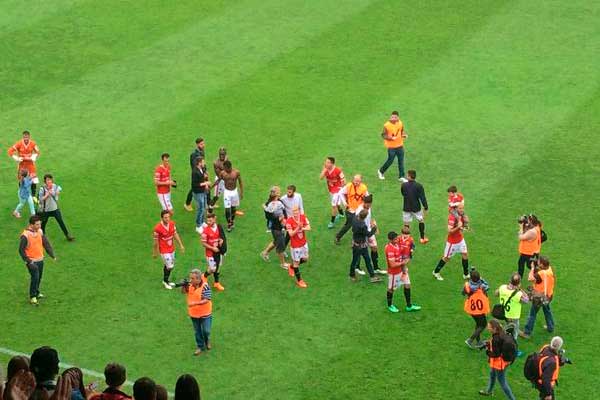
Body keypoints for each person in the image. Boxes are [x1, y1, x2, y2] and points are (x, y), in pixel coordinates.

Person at [19, 215, 56, 305]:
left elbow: (45, 243)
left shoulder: (40, 231)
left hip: (40, 259)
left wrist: (52, 255)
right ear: (31, 225)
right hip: (32, 261)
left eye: (40, 224)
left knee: (39, 277)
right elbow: (21, 250)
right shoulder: (25, 235)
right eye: (37, 224)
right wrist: (28, 261)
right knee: (35, 277)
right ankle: (33, 297)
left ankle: (36, 292)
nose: (39, 226)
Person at [478, 319, 516, 399]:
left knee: (502, 382)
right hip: (502, 361)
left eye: (489, 327)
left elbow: (496, 354)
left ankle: (512, 398)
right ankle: (489, 391)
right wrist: (488, 344)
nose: (488, 328)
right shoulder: (502, 332)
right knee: (492, 374)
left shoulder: (496, 339)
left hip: (499, 364)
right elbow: (498, 345)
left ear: (494, 329)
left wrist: (487, 351)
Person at [385, 229, 421, 312]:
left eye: (397, 238)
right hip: (394, 273)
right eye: (395, 239)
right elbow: (392, 264)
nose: (397, 240)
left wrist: (411, 249)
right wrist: (403, 262)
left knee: (407, 285)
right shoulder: (389, 249)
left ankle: (409, 306)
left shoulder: (397, 244)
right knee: (391, 289)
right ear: (390, 240)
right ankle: (390, 305)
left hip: (402, 270)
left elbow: (405, 247)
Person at [432, 203, 470, 281]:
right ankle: (436, 272)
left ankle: (466, 274)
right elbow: (449, 231)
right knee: (446, 258)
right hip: (452, 242)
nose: (462, 210)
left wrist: (465, 226)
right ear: (456, 208)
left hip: (460, 239)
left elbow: (462, 226)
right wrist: (458, 227)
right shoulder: (452, 217)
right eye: (460, 208)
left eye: (463, 208)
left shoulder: (461, 215)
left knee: (465, 254)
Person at [520, 256, 555, 339]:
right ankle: (550, 327)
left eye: (539, 262)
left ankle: (527, 332)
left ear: (542, 265)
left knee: (532, 314)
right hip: (548, 296)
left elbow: (530, 279)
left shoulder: (540, 274)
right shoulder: (549, 269)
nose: (537, 263)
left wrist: (532, 268)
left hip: (539, 298)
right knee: (547, 311)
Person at [495, 273, 529, 355]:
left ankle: (503, 343)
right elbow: (526, 300)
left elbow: (496, 293)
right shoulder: (518, 294)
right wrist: (521, 289)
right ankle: (513, 350)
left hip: (504, 314)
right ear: (519, 283)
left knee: (507, 330)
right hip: (513, 316)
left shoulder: (502, 287)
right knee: (514, 334)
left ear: (510, 281)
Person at [183, 269, 213, 356]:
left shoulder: (205, 286)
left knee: (206, 330)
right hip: (194, 314)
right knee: (197, 331)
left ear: (198, 279)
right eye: (190, 278)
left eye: (192, 278)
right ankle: (200, 346)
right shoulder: (190, 285)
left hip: (205, 313)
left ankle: (207, 340)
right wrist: (184, 286)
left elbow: (207, 299)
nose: (190, 280)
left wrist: (195, 303)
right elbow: (183, 292)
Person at [153, 210, 185, 290]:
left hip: (171, 249)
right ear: (162, 218)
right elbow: (155, 242)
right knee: (170, 266)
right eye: (165, 217)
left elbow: (175, 234)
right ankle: (165, 281)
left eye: (168, 217)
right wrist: (155, 252)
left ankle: (166, 280)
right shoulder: (157, 228)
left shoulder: (172, 224)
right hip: (164, 250)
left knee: (169, 265)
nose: (167, 219)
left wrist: (181, 245)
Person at [354, 195, 386, 275]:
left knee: (374, 248)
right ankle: (357, 267)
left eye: (369, 204)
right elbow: (356, 222)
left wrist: (374, 226)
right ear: (363, 202)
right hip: (362, 233)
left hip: (369, 231)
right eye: (366, 204)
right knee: (360, 250)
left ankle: (376, 268)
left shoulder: (369, 208)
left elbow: (370, 218)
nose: (367, 205)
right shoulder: (359, 210)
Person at [38, 174, 75, 241]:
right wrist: (47, 195)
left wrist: (57, 192)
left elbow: (59, 189)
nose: (49, 181)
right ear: (45, 181)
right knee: (43, 224)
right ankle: (42, 236)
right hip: (46, 210)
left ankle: (67, 235)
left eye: (50, 179)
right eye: (47, 180)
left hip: (55, 209)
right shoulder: (42, 189)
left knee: (61, 221)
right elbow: (40, 199)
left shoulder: (54, 186)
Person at [349, 209, 382, 283]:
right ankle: (352, 274)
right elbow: (369, 234)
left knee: (359, 260)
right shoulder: (362, 225)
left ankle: (371, 276)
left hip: (356, 244)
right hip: (361, 246)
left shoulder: (355, 219)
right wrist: (374, 227)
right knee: (363, 260)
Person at [260, 187, 290, 270]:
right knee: (280, 245)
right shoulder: (269, 203)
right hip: (275, 227)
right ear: (275, 193)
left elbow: (284, 212)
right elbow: (268, 217)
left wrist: (285, 220)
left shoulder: (279, 201)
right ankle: (283, 263)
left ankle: (265, 253)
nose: (280, 191)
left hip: (281, 226)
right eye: (278, 191)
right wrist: (278, 219)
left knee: (276, 241)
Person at [335, 175, 368, 245]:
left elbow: (367, 197)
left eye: (358, 181)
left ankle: (359, 240)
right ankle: (338, 237)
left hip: (359, 210)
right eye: (355, 181)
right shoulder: (349, 186)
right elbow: (340, 193)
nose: (356, 182)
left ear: (361, 181)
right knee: (349, 225)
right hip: (350, 210)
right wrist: (345, 203)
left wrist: (364, 206)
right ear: (353, 180)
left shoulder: (364, 188)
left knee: (357, 225)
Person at [197, 213, 226, 291]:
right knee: (212, 269)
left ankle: (216, 283)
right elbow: (203, 243)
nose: (209, 222)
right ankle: (204, 276)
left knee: (218, 267)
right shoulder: (205, 231)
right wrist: (212, 248)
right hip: (210, 253)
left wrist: (221, 240)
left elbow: (222, 236)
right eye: (208, 221)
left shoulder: (219, 227)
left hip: (218, 251)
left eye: (210, 220)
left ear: (214, 219)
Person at [8, 130, 40, 199]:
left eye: (27, 137)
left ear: (29, 137)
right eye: (24, 138)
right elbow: (10, 151)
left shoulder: (33, 144)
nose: (25, 139)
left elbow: (38, 152)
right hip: (22, 165)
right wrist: (15, 157)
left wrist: (34, 156)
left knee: (34, 179)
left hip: (30, 164)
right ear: (23, 137)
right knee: (21, 179)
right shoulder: (19, 144)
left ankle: (33, 195)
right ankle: (21, 193)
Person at [463, 268, 490, 349]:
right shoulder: (481, 286)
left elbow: (463, 292)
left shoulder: (467, 285)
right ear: (478, 278)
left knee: (478, 324)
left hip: (471, 309)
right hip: (480, 309)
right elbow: (487, 286)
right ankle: (470, 340)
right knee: (483, 324)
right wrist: (482, 279)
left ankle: (478, 342)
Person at [377, 111, 408, 182]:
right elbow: (383, 135)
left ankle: (401, 176)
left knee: (401, 160)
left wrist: (404, 135)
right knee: (390, 160)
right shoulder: (386, 125)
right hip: (391, 147)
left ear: (398, 117)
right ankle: (381, 171)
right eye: (392, 117)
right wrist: (390, 138)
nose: (393, 118)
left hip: (400, 145)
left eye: (395, 117)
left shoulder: (400, 123)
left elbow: (401, 131)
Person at [400, 170, 429, 244]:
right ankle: (422, 238)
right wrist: (425, 207)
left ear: (409, 176)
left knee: (406, 223)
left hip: (406, 207)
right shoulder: (419, 186)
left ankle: (405, 240)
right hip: (416, 207)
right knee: (421, 221)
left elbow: (403, 193)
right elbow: (422, 197)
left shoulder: (404, 185)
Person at [285, 207, 310, 288]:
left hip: (303, 243)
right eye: (293, 211)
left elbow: (309, 227)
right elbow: (291, 234)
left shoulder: (303, 217)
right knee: (296, 262)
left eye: (296, 211)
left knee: (305, 259)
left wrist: (302, 227)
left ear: (299, 211)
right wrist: (297, 227)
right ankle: (299, 280)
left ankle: (291, 267)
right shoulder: (289, 221)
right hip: (295, 246)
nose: (295, 212)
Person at [319, 157, 346, 228]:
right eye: (326, 162)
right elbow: (321, 178)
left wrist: (341, 190)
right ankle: (341, 214)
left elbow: (343, 180)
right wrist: (324, 170)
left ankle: (332, 222)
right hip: (331, 190)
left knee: (333, 206)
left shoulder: (338, 170)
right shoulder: (326, 169)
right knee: (336, 204)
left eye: (328, 162)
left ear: (332, 164)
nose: (326, 163)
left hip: (337, 191)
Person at [216, 160, 243, 231]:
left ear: (229, 167)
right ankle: (229, 223)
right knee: (227, 209)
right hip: (227, 192)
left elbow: (240, 182)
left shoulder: (236, 172)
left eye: (225, 168)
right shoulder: (223, 173)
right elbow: (218, 181)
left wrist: (241, 192)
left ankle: (232, 221)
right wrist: (211, 187)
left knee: (233, 208)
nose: (224, 169)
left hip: (234, 192)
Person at [184, 138, 206, 212]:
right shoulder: (194, 154)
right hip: (197, 173)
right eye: (201, 144)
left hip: (202, 172)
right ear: (197, 144)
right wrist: (200, 173)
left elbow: (203, 162)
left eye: (203, 143)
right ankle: (187, 203)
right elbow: (194, 165)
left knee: (204, 186)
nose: (203, 145)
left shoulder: (201, 151)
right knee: (194, 188)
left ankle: (209, 202)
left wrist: (205, 171)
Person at [191, 156, 211, 228]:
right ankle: (198, 225)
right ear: (199, 163)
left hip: (203, 191)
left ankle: (202, 222)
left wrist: (205, 178)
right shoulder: (195, 172)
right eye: (203, 162)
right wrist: (206, 183)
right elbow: (195, 184)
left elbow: (202, 179)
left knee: (203, 208)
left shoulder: (201, 169)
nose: (204, 163)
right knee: (200, 209)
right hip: (198, 193)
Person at [208, 147, 228, 212]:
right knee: (216, 197)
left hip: (226, 180)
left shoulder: (227, 159)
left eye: (223, 154)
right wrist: (212, 186)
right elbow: (220, 176)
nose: (222, 156)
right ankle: (210, 209)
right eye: (220, 154)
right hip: (219, 180)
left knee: (228, 195)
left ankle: (231, 209)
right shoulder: (216, 163)